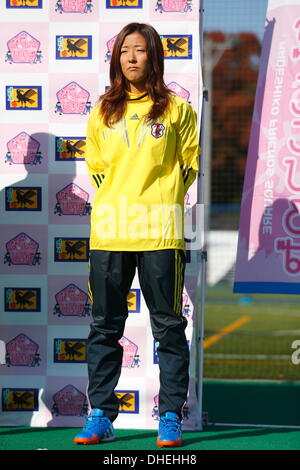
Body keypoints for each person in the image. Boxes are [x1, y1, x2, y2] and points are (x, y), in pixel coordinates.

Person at [73, 22, 200, 448]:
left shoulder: (177, 110)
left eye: (140, 50)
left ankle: (170, 417)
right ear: (116, 58)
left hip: (160, 233)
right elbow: (97, 170)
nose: (131, 57)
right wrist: (123, 199)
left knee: (168, 328)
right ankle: (100, 415)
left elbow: (188, 166)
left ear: (154, 57)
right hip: (110, 232)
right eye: (124, 50)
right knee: (105, 326)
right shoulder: (102, 110)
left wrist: (158, 201)